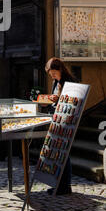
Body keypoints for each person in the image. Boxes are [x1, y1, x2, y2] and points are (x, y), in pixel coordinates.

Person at [43, 57, 76, 195]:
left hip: (66, 122)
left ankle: (65, 186)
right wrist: (50, 101)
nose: (53, 77)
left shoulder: (70, 83)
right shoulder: (56, 82)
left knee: (64, 154)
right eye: (51, 75)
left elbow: (72, 103)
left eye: (54, 74)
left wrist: (59, 101)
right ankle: (58, 184)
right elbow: (56, 99)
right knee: (58, 154)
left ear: (60, 69)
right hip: (57, 120)